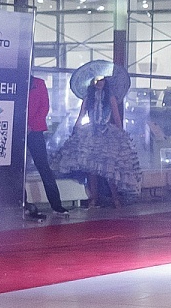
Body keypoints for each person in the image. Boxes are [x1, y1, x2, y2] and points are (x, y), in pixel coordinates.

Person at [53, 73, 142, 209]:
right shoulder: (88, 98)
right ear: (93, 82)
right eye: (97, 81)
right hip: (91, 133)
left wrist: (121, 134)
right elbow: (81, 114)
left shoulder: (110, 97)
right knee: (91, 169)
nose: (100, 83)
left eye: (102, 80)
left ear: (105, 82)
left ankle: (115, 198)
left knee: (110, 169)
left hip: (107, 133)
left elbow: (116, 117)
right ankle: (93, 198)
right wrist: (76, 128)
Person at [25, 76, 68, 216]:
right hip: (18, 130)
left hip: (35, 130)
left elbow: (44, 107)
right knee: (19, 168)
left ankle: (56, 205)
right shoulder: (16, 82)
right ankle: (23, 203)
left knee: (43, 167)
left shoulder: (39, 83)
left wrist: (30, 125)